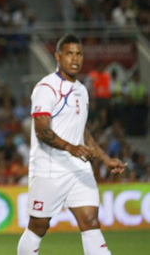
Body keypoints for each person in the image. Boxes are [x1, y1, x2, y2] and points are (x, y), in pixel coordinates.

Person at [17, 34, 126, 255]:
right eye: (69, 53)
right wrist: (70, 147)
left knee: (91, 222)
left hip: (79, 169)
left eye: (78, 54)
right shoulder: (46, 87)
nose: (75, 59)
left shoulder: (82, 90)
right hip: (50, 169)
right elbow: (41, 129)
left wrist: (104, 159)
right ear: (58, 57)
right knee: (38, 227)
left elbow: (81, 130)